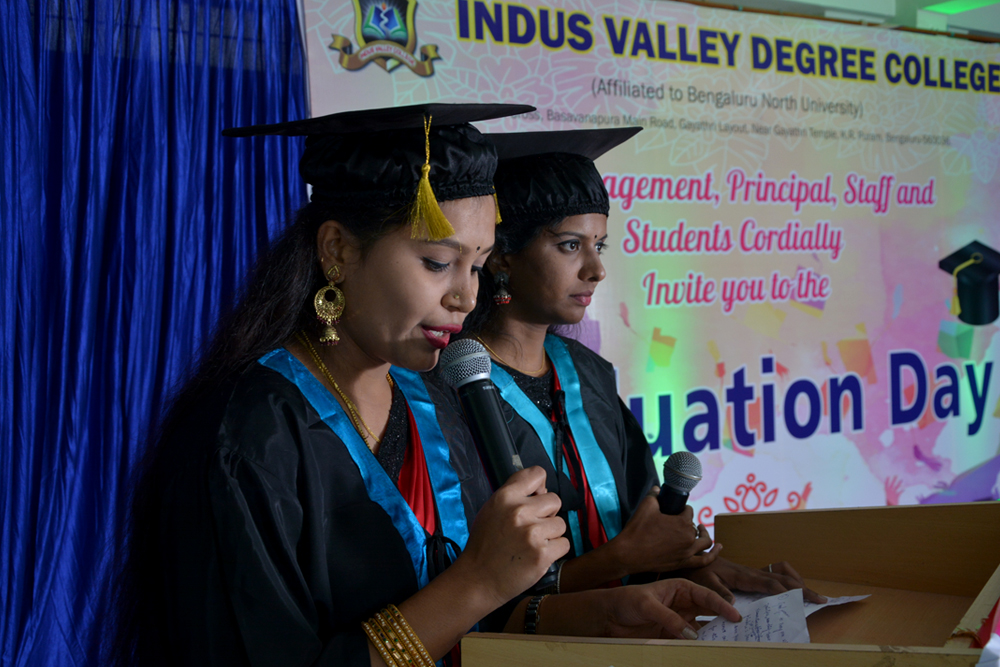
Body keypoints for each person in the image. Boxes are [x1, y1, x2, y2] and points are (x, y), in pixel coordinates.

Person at [112, 105, 740, 667]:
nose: (465, 296)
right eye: (438, 262)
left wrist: (597, 615)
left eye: (477, 265)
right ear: (337, 251)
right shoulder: (251, 434)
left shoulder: (432, 400)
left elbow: (470, 626)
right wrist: (479, 580)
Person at [461, 128, 825, 602]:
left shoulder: (587, 373)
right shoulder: (453, 390)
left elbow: (640, 521)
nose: (596, 269)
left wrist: (690, 564)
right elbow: (473, 582)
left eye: (599, 246)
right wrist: (624, 560)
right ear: (502, 256)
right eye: (570, 245)